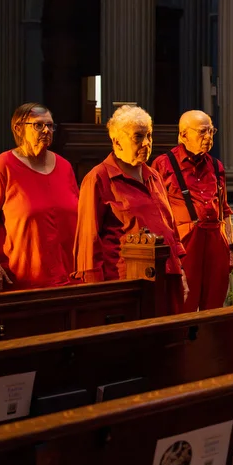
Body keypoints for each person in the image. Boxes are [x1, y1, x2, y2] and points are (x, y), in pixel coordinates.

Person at [74, 105, 188, 311]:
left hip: (167, 276)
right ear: (117, 141)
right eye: (138, 137)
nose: (146, 143)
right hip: (128, 282)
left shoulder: (153, 175)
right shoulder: (98, 178)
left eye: (149, 136)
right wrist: (94, 292)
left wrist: (180, 268)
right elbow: (88, 240)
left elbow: (169, 227)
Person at [0, 103, 79, 292]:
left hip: (65, 276)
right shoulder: (2, 166)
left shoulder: (65, 167)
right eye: (38, 125)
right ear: (18, 128)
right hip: (20, 278)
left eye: (50, 125)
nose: (46, 130)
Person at [154, 111, 232, 312]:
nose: (209, 137)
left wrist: (229, 248)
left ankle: (210, 342)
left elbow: (224, 210)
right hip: (185, 241)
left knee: (215, 303)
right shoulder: (163, 164)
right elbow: (158, 213)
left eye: (211, 131)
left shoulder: (216, 165)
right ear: (183, 135)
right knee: (184, 303)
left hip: (215, 238)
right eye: (202, 132)